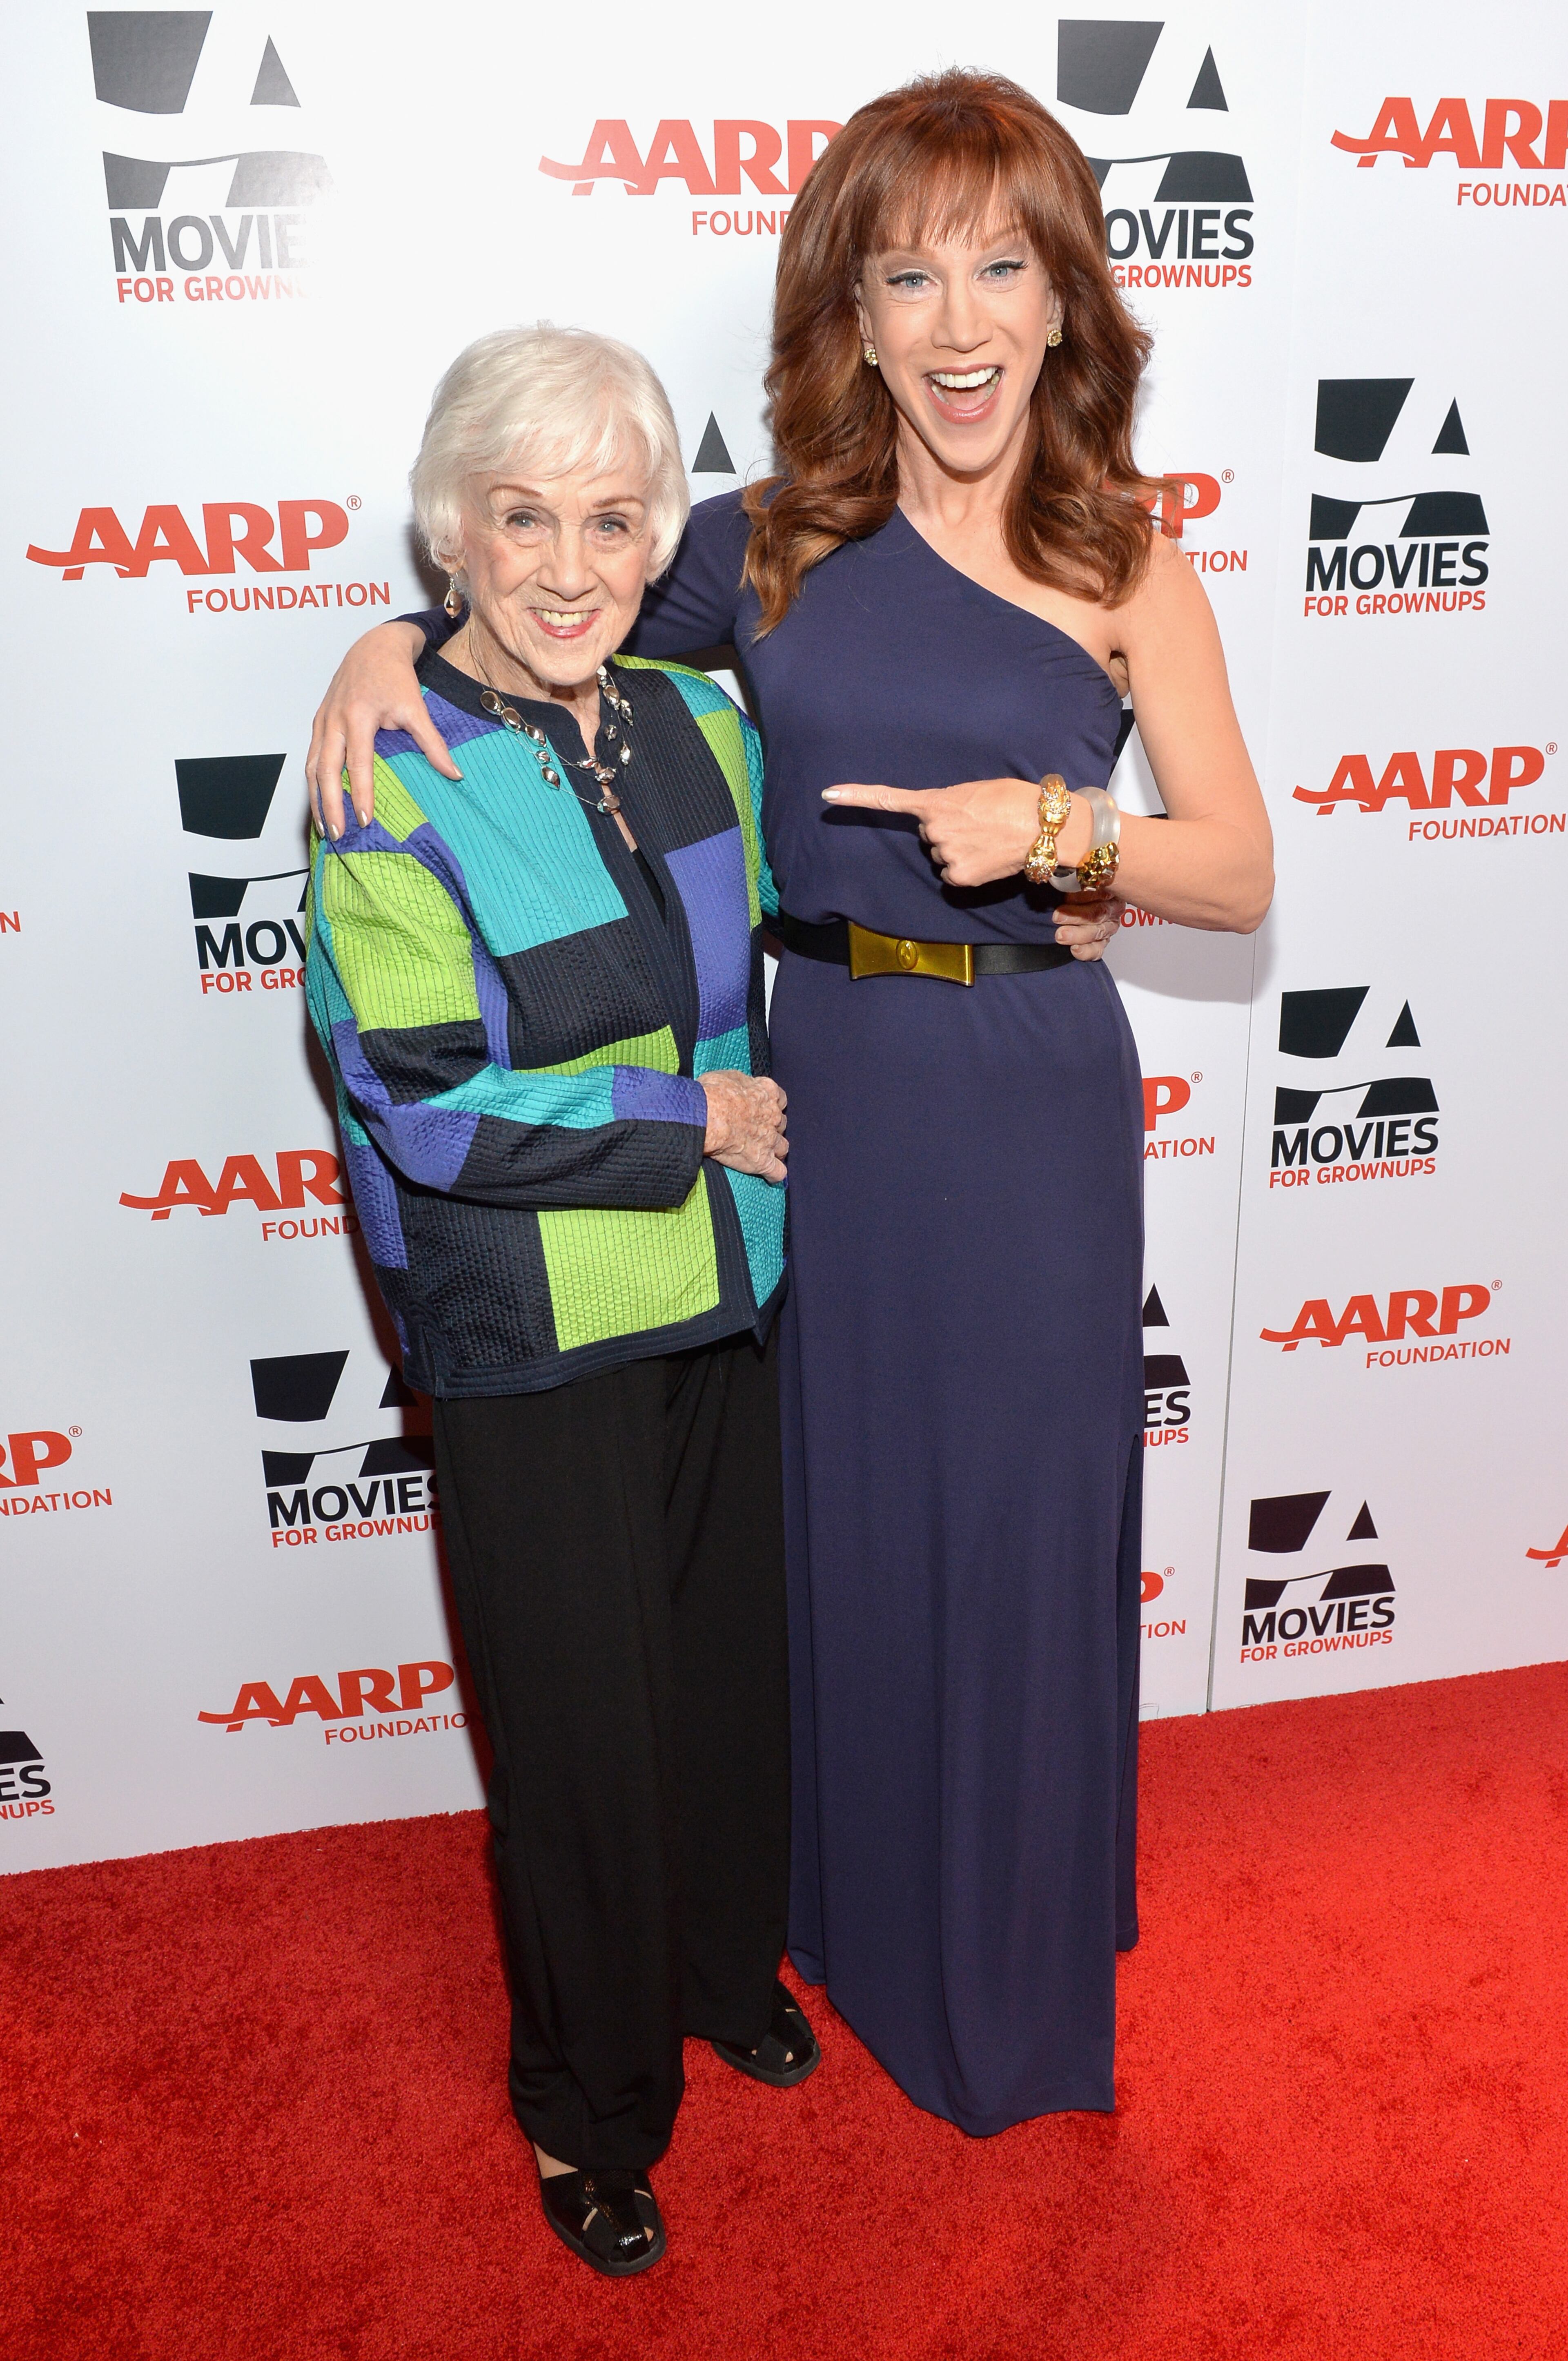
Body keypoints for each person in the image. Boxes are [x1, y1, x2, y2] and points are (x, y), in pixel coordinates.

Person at [308, 71, 1273, 2138]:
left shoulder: (1129, 561)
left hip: (1025, 1106)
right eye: (908, 275)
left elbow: (1240, 868)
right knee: (826, 1536)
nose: (958, 324)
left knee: (1008, 1538)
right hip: (815, 1093)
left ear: (1066, 300)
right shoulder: (772, 544)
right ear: (855, 313)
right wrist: (376, 649)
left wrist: (1066, 834)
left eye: (1000, 268)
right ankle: (815, 1911)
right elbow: (533, 605)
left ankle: (996, 1970)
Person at [304, 324, 820, 2278]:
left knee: (722, 1682)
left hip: (722, 1287)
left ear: (657, 535)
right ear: (453, 530)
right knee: (584, 1744)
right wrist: (687, 1119)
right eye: (522, 517)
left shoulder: (699, 720)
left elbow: (811, 908)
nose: (569, 563)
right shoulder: (387, 774)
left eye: (612, 519)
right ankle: (584, 2111)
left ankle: (718, 1972)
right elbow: (424, 1107)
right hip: (530, 1328)